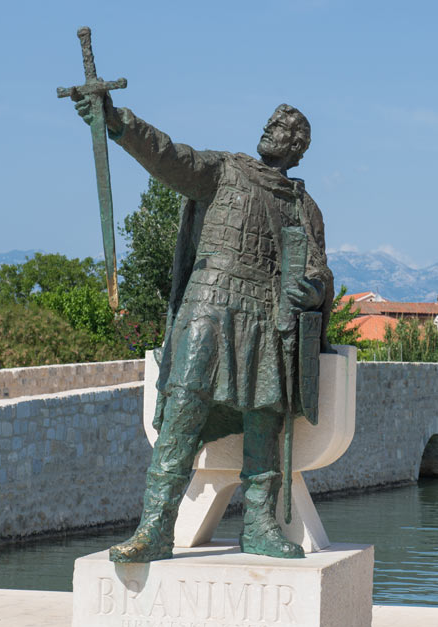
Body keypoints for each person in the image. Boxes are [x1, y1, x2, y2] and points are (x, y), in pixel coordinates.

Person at [74, 94, 333, 562]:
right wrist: (118, 121)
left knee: (264, 419)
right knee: (182, 413)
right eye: (272, 121)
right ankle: (154, 528)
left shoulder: (303, 207)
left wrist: (312, 291)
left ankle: (259, 524)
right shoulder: (223, 170)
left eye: (285, 127)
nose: (272, 128)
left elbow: (319, 270)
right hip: (209, 306)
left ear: (298, 148)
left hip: (267, 318)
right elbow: (168, 155)